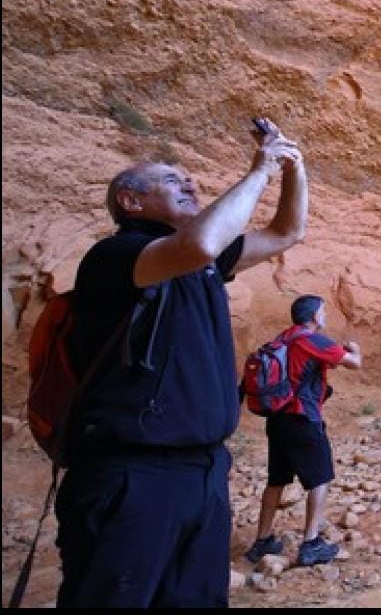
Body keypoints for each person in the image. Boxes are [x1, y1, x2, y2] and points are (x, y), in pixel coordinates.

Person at [56, 118, 307, 608]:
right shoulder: (116, 256)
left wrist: (294, 164)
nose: (190, 183)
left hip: (205, 470)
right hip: (133, 474)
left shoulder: (206, 263)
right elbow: (197, 243)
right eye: (173, 180)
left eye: (190, 179)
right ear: (132, 202)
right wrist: (260, 169)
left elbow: (286, 232)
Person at [245, 295, 362, 568]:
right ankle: (311, 544)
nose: (325, 317)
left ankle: (262, 540)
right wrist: (355, 349)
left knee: (277, 480)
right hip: (303, 419)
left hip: (277, 420)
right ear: (313, 316)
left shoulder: (282, 339)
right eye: (323, 312)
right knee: (320, 479)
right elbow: (354, 363)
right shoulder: (312, 340)